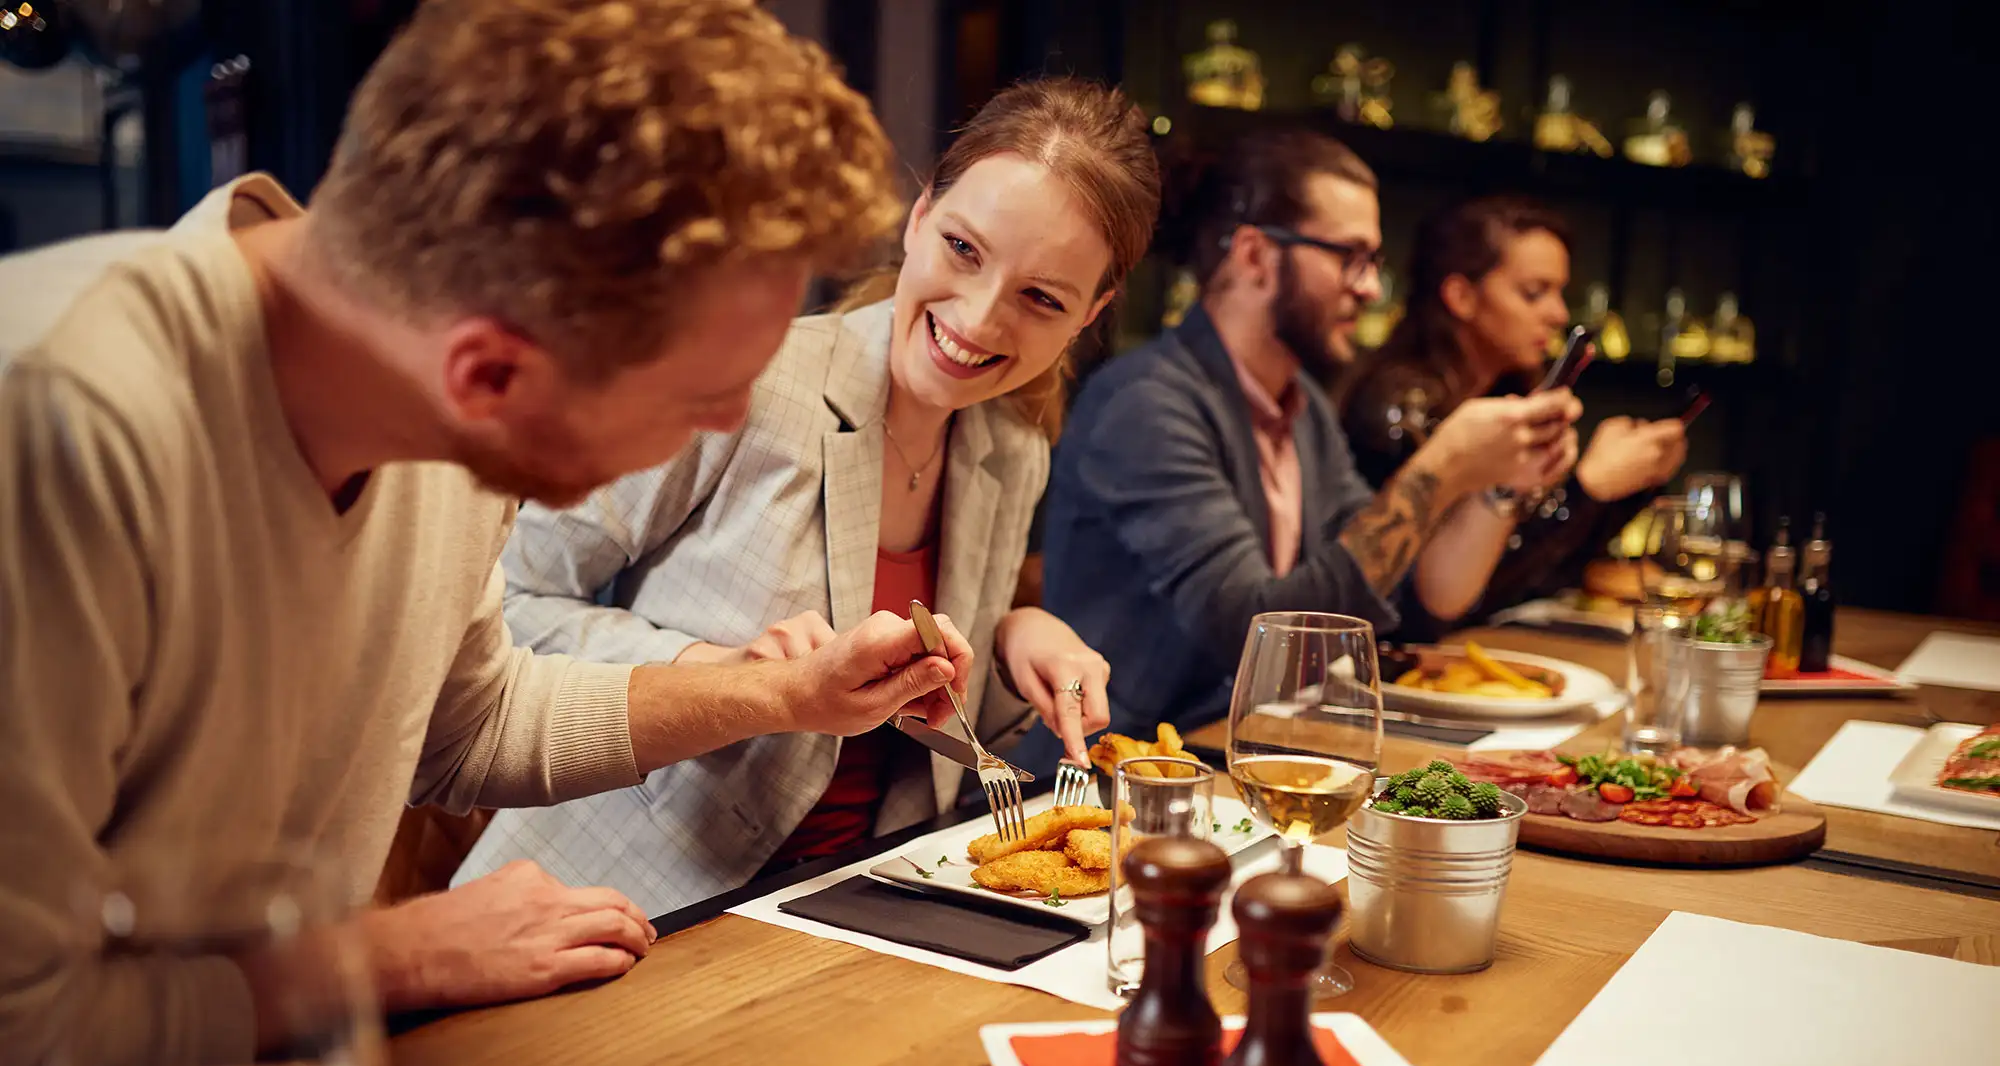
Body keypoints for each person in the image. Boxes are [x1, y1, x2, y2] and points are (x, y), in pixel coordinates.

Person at [0, 0, 979, 1066]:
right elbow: (19, 1029)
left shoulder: (423, 386)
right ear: (488, 376)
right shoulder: (55, 430)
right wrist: (390, 955)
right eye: (704, 401)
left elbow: (469, 722)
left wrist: (775, 694)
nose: (720, 433)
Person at [455, 78, 1162, 915]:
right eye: (964, 249)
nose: (978, 318)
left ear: (1092, 314)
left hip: (859, 906)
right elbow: (501, 603)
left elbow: (925, 719)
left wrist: (1014, 640)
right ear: (919, 213)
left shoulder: (1010, 449)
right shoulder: (746, 379)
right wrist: (718, 669)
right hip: (621, 900)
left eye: (1041, 297)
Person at [1032, 129, 1581, 746]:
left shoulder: (1304, 406)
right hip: (1115, 779)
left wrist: (1496, 487)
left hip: (1242, 756)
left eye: (1372, 262)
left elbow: (1414, 596)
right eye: (1350, 256)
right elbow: (1252, 634)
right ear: (1257, 257)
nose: (1371, 287)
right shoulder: (1147, 402)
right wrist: (1442, 468)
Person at [1340, 195, 1688, 635]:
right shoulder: (1399, 406)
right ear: (1461, 296)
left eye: (1560, 292)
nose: (1558, 314)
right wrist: (1589, 490)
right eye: (1533, 292)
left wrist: (1623, 488)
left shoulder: (1508, 392)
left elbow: (1546, 573)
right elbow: (1447, 602)